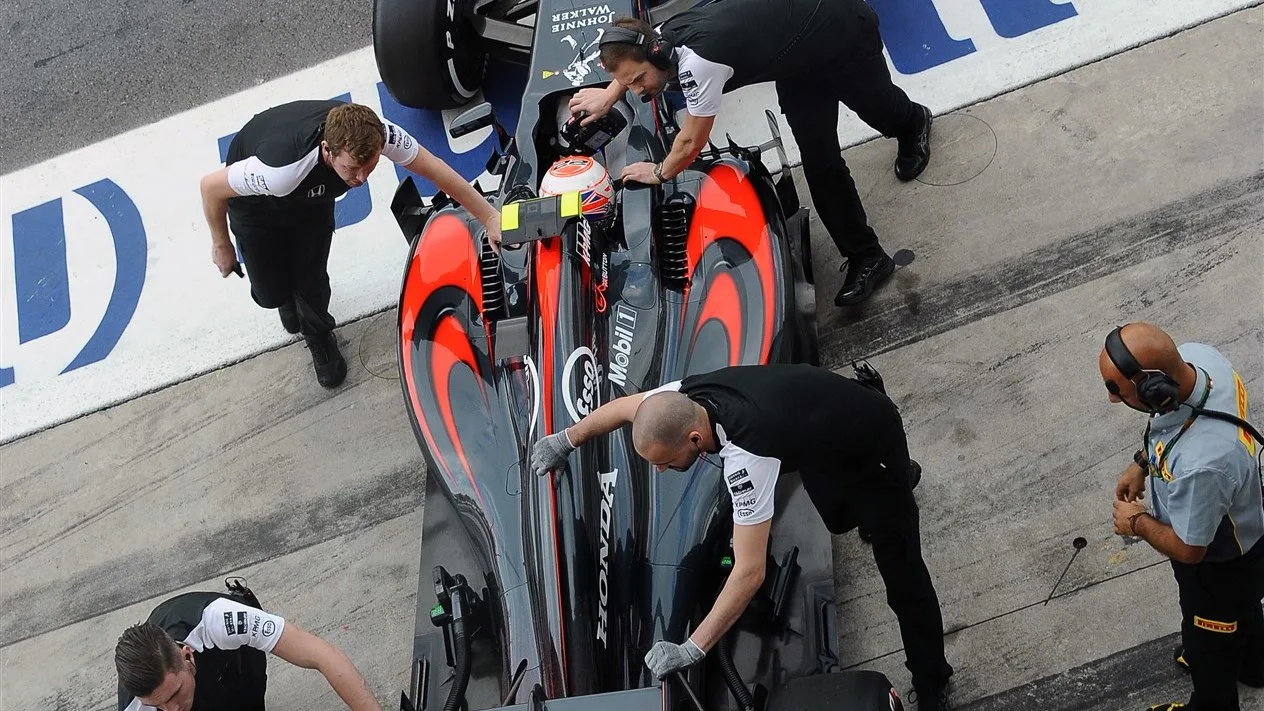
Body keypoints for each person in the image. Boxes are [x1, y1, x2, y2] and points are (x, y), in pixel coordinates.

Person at [530, 363, 955, 709]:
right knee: (838, 517)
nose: (658, 471)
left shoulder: (748, 456)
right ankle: (874, 484)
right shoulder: (679, 398)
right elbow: (624, 409)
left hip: (870, 446)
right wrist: (565, 440)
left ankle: (933, 678)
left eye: (664, 462)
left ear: (695, 439)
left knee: (903, 577)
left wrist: (691, 649)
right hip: (818, 433)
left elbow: (749, 573)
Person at [569, 2, 933, 307]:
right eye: (628, 83)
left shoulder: (699, 63)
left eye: (637, 81)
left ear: (655, 54)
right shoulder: (659, 39)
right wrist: (607, 96)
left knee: (877, 108)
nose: (636, 90)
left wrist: (659, 172)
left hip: (840, 30)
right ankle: (867, 256)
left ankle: (914, 122)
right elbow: (633, 61)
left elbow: (690, 141)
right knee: (820, 162)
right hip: (797, 59)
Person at [199, 100, 502, 388]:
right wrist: (221, 243)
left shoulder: (379, 133)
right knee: (269, 294)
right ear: (327, 150)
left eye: (369, 167)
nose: (361, 179)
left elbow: (436, 170)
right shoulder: (280, 171)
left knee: (311, 280)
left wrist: (489, 217)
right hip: (258, 206)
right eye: (352, 169)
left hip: (311, 202)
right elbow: (211, 188)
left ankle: (318, 336)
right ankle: (284, 298)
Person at [1101, 322, 1264, 711]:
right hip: (1251, 532)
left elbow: (1191, 549)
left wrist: (1135, 521)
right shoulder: (1200, 358)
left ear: (1153, 390)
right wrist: (1142, 462)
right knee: (1246, 612)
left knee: (1209, 644)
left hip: (1218, 570)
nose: (1111, 400)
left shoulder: (1202, 466)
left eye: (1115, 390)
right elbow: (1171, 425)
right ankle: (1256, 666)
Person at [114, 579, 382, 711]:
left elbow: (324, 656)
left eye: (174, 696)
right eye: (158, 705)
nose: (171, 709)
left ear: (187, 656)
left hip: (232, 662)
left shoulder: (220, 620)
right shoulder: (135, 704)